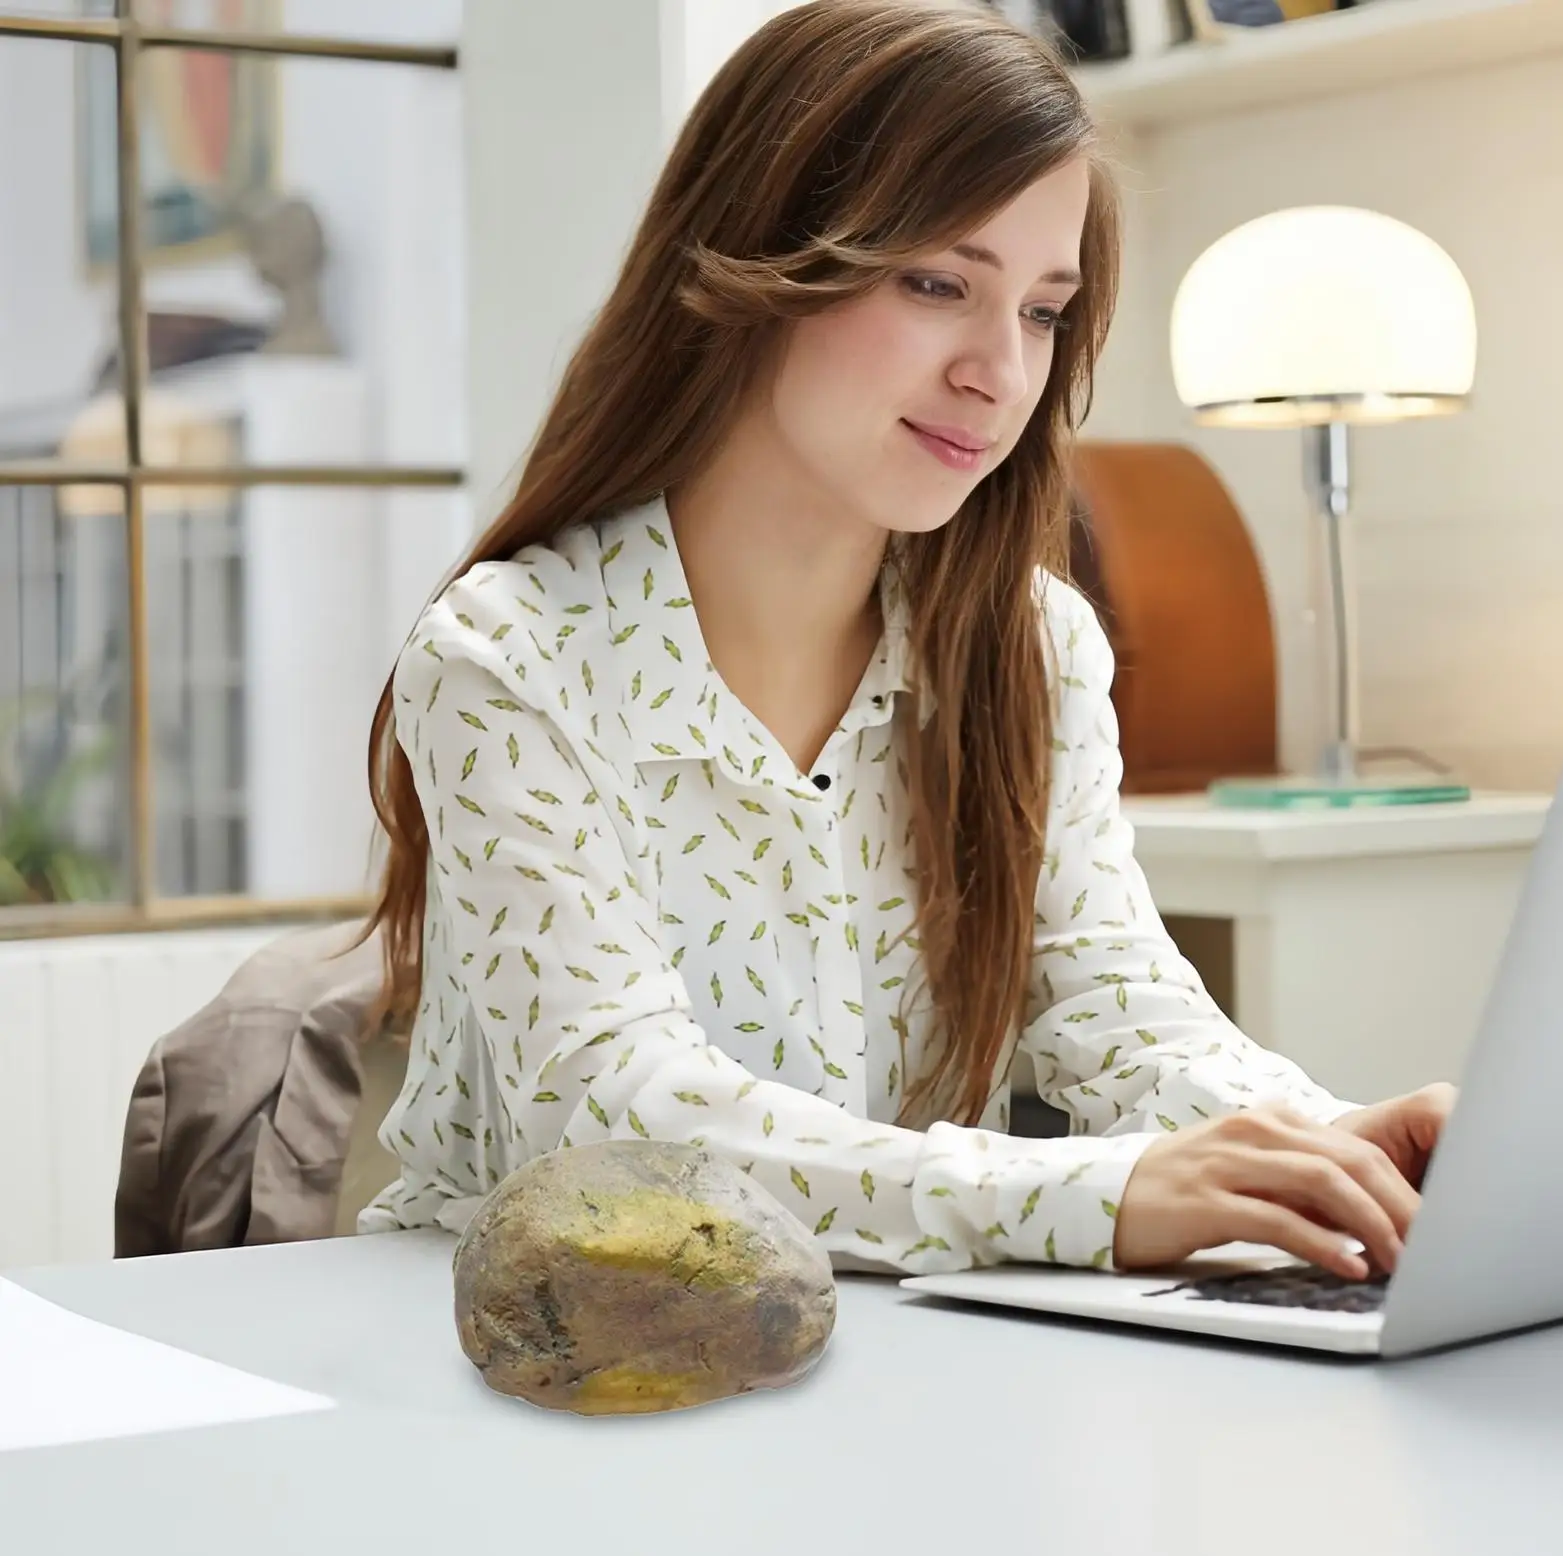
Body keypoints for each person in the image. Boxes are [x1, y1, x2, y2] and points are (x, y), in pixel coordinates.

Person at [356, 0, 1454, 1280]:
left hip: (880, 1354)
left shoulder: (1030, 647)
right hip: (545, 1367)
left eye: (1044, 310)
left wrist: (1327, 1147)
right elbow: (615, 1122)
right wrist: (1091, 1195)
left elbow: (1116, 1006)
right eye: (938, 284)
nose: (999, 369)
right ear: (755, 258)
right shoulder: (508, 655)